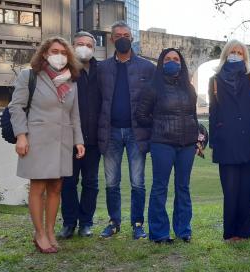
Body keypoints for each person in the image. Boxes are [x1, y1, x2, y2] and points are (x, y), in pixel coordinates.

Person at [8, 36, 84, 253]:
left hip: (62, 141)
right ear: (44, 53)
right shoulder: (29, 75)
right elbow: (16, 107)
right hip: (37, 140)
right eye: (54, 51)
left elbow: (74, 115)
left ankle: (50, 231)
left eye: (63, 51)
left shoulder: (71, 81)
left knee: (56, 187)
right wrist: (21, 135)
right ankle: (39, 233)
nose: (59, 55)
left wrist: (79, 140)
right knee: (38, 186)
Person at [96, 21, 155, 239]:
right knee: (111, 181)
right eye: (118, 35)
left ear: (132, 38)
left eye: (126, 35)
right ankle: (114, 222)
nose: (123, 38)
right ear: (111, 39)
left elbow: (155, 100)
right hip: (109, 132)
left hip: (136, 133)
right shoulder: (102, 68)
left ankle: (138, 223)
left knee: (137, 182)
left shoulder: (147, 68)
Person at [136, 48, 200, 244]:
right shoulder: (153, 87)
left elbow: (192, 115)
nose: (172, 62)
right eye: (168, 59)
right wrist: (159, 124)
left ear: (181, 63)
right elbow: (141, 115)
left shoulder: (189, 88)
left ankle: (183, 230)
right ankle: (159, 232)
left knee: (183, 187)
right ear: (162, 62)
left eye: (176, 59)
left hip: (187, 144)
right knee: (159, 187)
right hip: (162, 144)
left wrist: (199, 131)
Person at [208, 40, 250, 242]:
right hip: (226, 142)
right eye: (232, 51)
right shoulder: (215, 79)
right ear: (226, 54)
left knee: (247, 191)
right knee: (230, 190)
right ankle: (230, 232)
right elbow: (213, 112)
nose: (236, 54)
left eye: (240, 52)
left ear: (245, 56)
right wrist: (214, 140)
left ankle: (245, 231)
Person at [58, 31, 102, 239]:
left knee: (91, 182)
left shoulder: (101, 71)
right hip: (68, 138)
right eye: (79, 44)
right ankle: (69, 223)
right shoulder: (63, 71)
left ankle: (86, 222)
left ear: (94, 49)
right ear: (72, 46)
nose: (84, 47)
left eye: (88, 45)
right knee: (68, 182)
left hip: (93, 139)